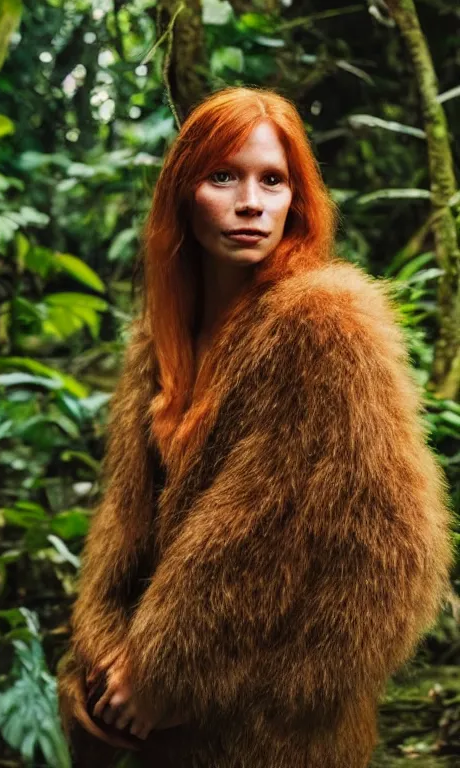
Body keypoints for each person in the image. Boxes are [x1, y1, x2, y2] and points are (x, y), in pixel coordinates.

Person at [57, 86, 453, 768]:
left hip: (273, 742)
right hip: (155, 739)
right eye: (224, 176)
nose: (251, 202)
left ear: (297, 199)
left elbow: (400, 569)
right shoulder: (158, 345)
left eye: (273, 180)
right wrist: (93, 668)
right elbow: (126, 536)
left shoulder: (325, 327)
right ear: (184, 193)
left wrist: (187, 683)